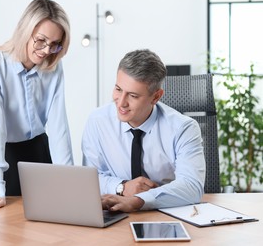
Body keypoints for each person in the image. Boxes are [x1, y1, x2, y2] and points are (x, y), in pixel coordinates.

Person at [0, 0, 73, 211]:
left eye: (55, 44)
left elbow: (59, 127)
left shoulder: (53, 68)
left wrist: (69, 183)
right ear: (25, 30)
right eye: (41, 40)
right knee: (3, 230)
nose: (47, 50)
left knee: (46, 225)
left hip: (38, 152)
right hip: (1, 153)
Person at [82, 49, 205, 213]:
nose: (121, 103)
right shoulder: (97, 122)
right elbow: (89, 178)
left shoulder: (183, 128)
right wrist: (122, 187)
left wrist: (137, 201)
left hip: (165, 213)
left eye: (132, 96)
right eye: (118, 89)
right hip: (112, 212)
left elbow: (192, 187)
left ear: (156, 97)